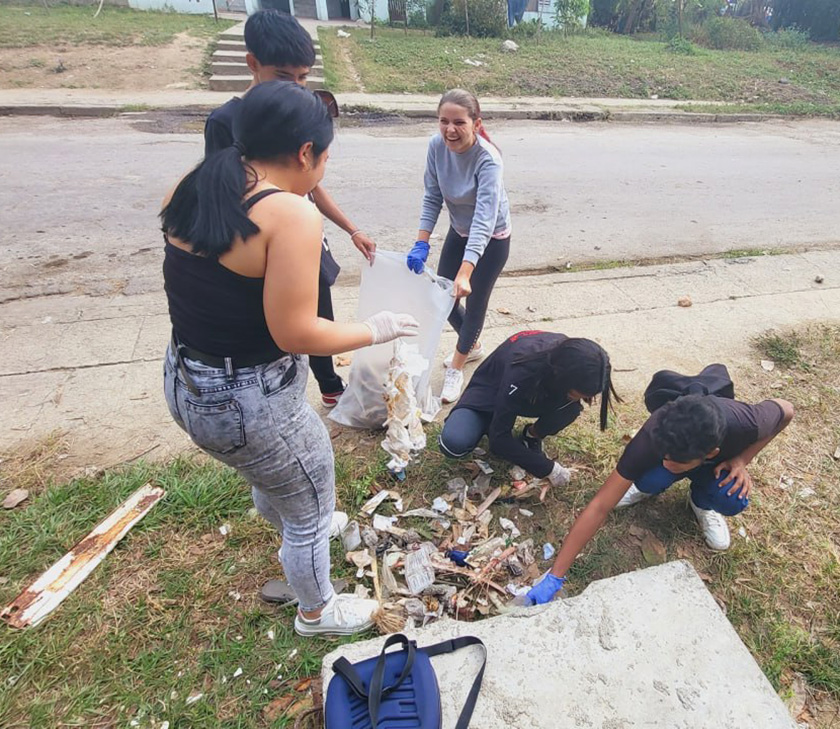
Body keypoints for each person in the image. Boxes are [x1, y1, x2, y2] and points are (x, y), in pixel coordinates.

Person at [161, 81, 419, 636]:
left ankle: (300, 521)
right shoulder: (292, 216)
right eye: (324, 157)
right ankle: (316, 611)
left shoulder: (194, 184)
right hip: (246, 399)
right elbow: (295, 331)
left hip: (187, 378)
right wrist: (374, 329)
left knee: (275, 473)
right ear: (305, 152)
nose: (322, 170)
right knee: (309, 495)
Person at [205, 9, 376, 408]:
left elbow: (312, 184)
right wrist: (374, 331)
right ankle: (278, 391)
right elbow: (222, 200)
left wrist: (351, 229)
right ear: (252, 64)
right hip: (261, 251)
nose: (297, 87)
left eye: (303, 78)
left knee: (319, 311)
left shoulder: (295, 115)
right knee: (286, 328)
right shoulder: (224, 123)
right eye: (285, 77)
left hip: (302, 239)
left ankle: (329, 384)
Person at [525, 377, 794, 605]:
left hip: (715, 466)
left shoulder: (747, 422)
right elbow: (599, 506)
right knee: (652, 476)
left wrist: (742, 459)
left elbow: (786, 409)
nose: (668, 462)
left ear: (711, 452)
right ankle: (648, 488)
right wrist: (555, 576)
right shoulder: (654, 435)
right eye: (665, 456)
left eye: (676, 461)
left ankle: (701, 502)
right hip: (695, 454)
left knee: (733, 498)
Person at [406, 89, 511, 404]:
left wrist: (466, 271)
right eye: (443, 121)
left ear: (476, 124)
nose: (450, 129)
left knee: (474, 302)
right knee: (441, 296)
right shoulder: (436, 146)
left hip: (491, 239)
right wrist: (421, 243)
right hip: (459, 230)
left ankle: (457, 366)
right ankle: (473, 344)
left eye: (459, 122)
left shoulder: (488, 159)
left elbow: (484, 220)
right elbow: (433, 195)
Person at [439, 331, 618, 498]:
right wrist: (549, 469)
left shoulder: (571, 358)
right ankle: (485, 421)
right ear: (562, 377)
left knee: (569, 409)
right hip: (490, 392)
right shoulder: (522, 369)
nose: (585, 399)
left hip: (535, 392)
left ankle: (531, 435)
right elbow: (498, 441)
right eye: (577, 393)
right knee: (454, 442)